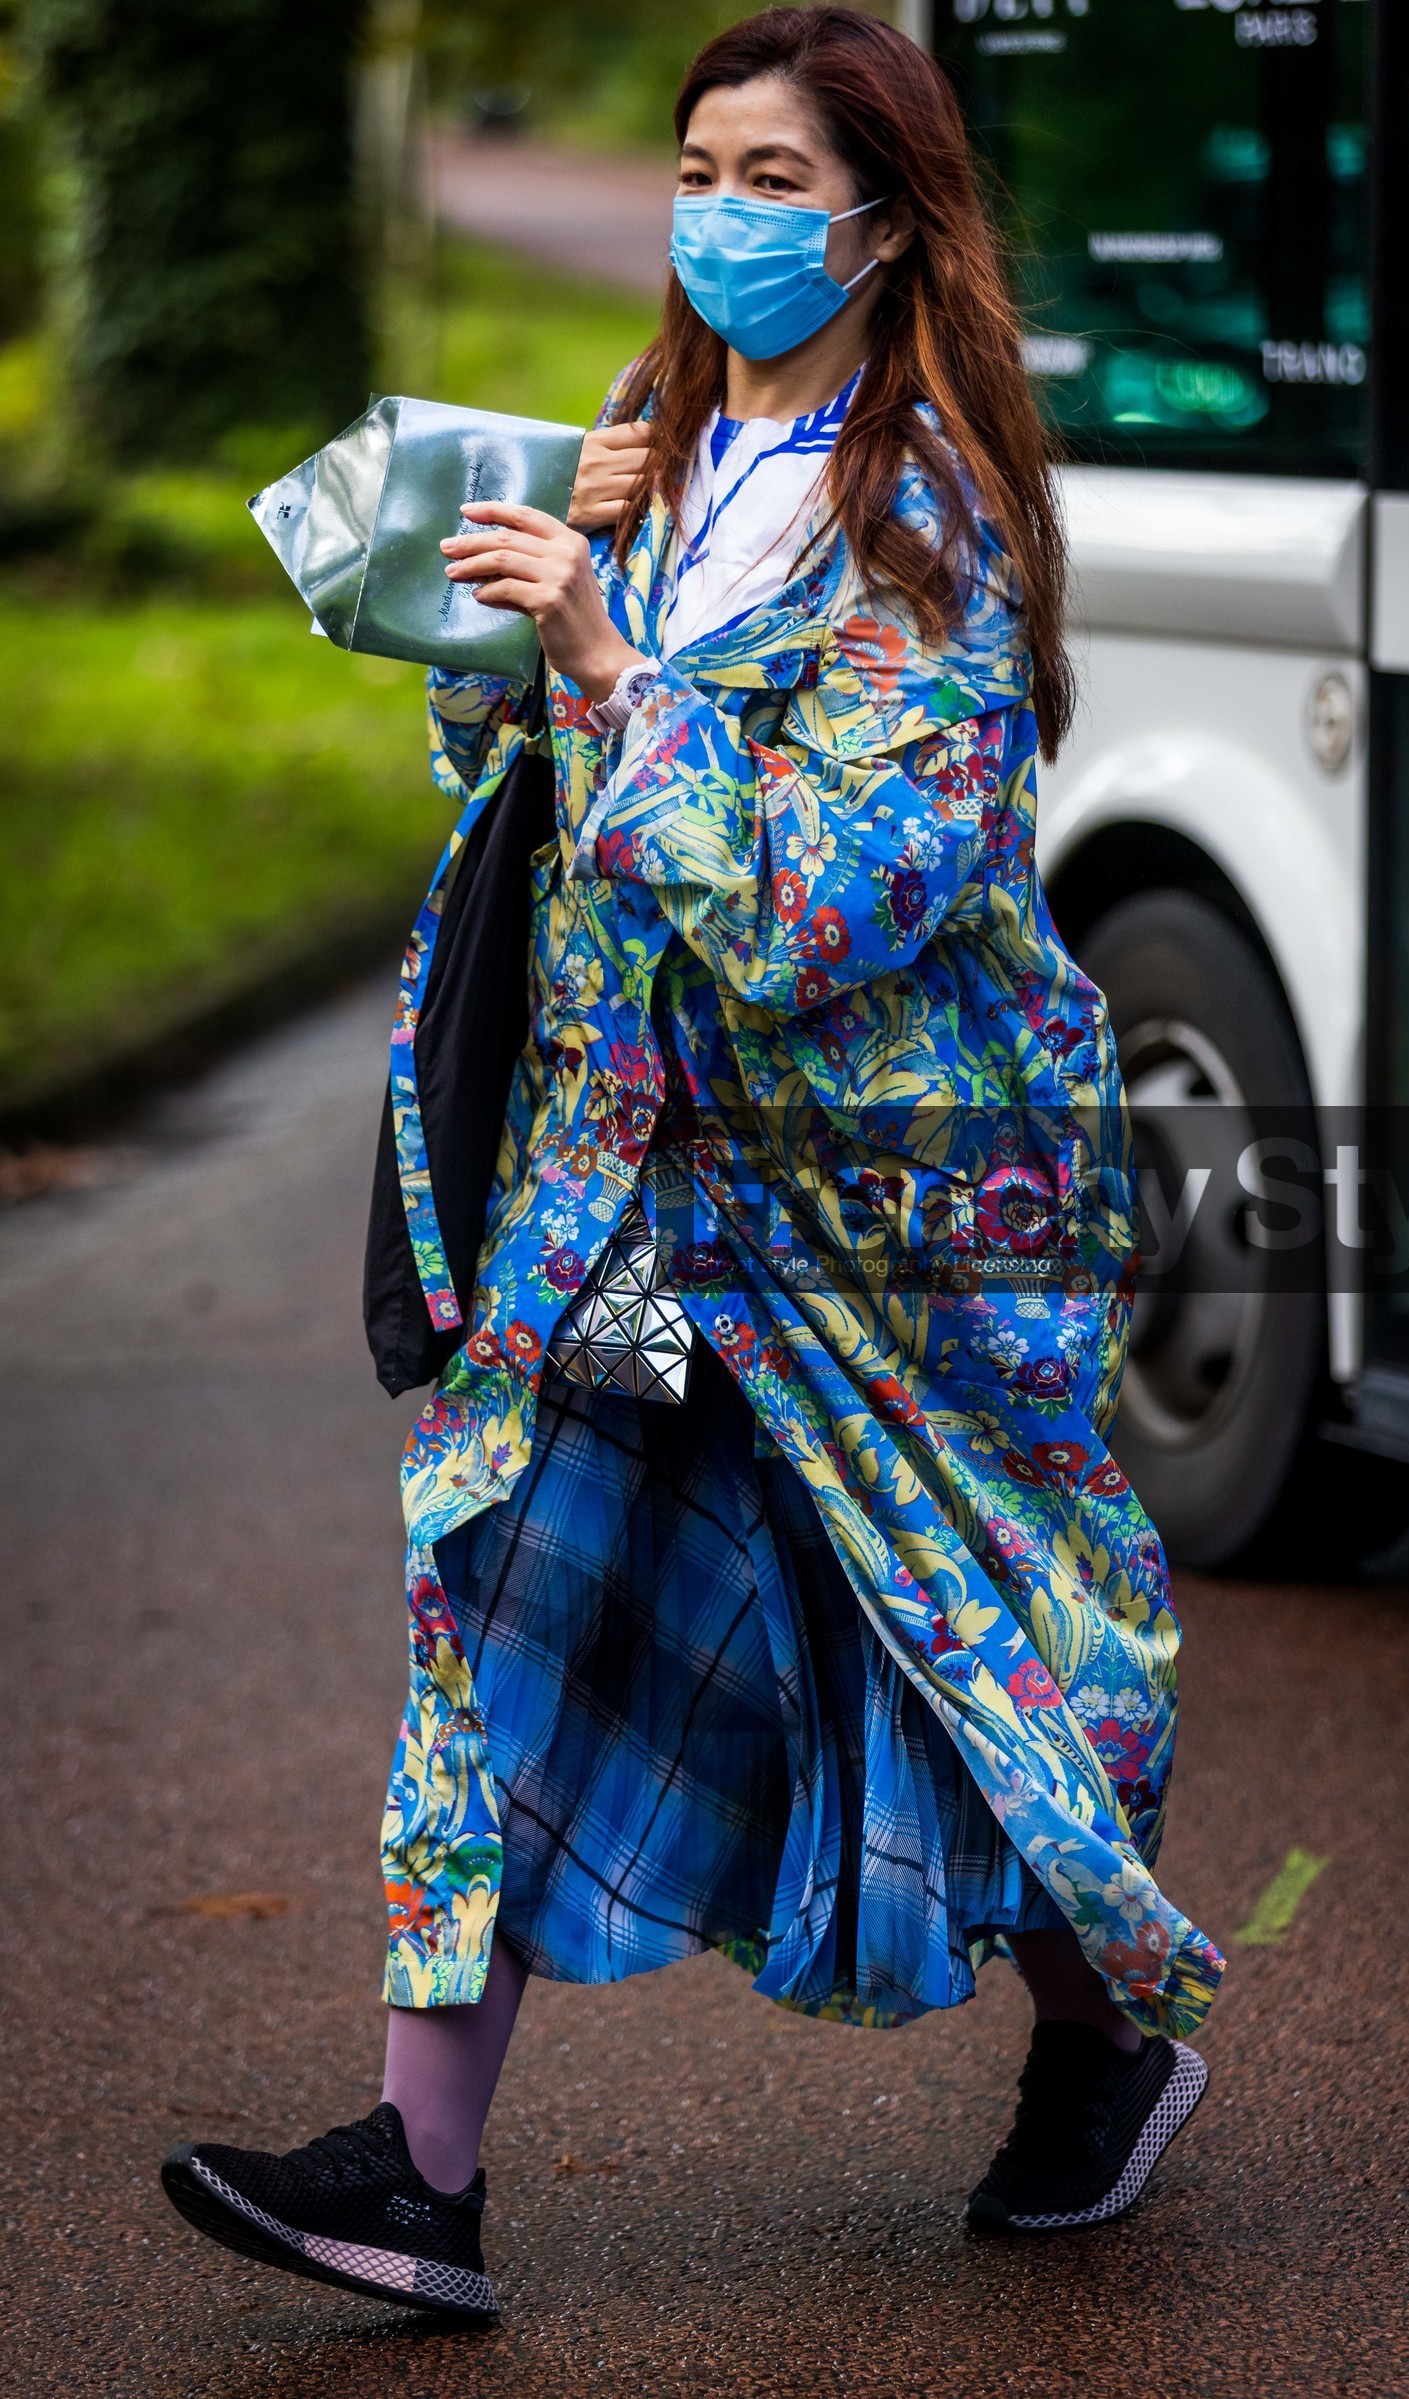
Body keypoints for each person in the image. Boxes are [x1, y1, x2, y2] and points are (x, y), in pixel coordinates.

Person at [161, 7, 1222, 2322]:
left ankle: (1104, 2036)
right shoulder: (653, 442)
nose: (719, 216)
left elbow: (833, 900)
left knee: (931, 1651)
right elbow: (535, 803)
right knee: (495, 1596)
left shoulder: (921, 506)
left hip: (866, 1232)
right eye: (696, 166)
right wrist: (507, 626)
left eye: (769, 179)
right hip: (619, 1199)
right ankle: (416, 2180)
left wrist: (612, 671)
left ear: (879, 216)